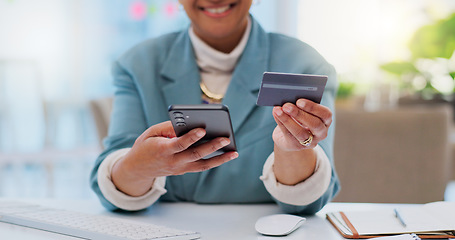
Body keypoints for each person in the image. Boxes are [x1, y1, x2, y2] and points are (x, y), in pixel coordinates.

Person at [90, 0, 340, 215]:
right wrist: (139, 166)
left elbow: (310, 200)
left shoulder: (306, 64)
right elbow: (114, 181)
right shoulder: (137, 64)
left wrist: (292, 150)